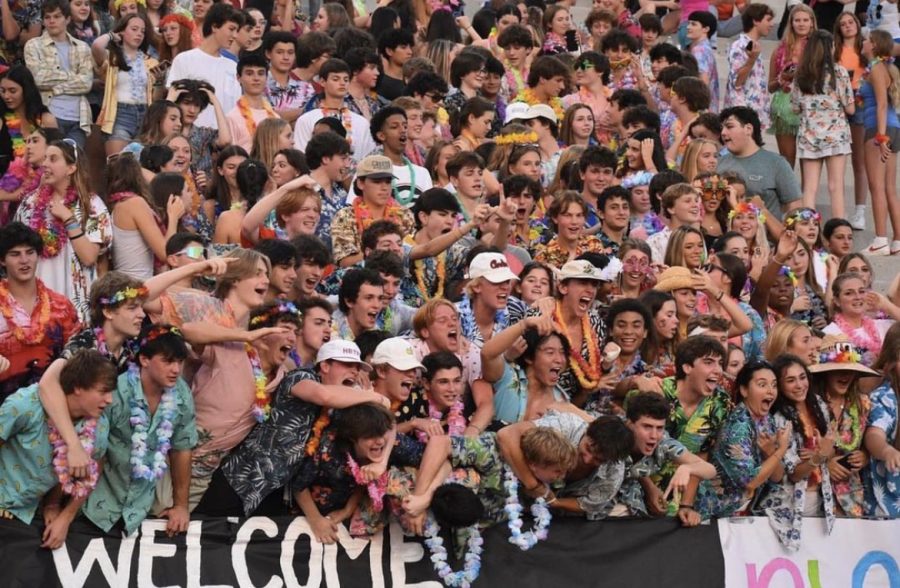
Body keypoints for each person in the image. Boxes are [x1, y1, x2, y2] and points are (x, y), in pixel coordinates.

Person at [82, 324, 197, 536]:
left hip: (146, 508)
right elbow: (94, 452)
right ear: (144, 360)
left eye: (180, 362)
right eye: (168, 361)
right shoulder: (116, 392)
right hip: (96, 505)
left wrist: (181, 506)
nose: (176, 369)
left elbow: (182, 448)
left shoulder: (182, 393)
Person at [0, 349, 114, 548]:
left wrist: (61, 513)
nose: (109, 399)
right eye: (103, 391)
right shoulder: (25, 405)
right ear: (78, 387)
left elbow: (91, 471)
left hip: (30, 516)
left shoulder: (99, 427)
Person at [13, 140, 110, 322]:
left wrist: (68, 219)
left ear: (71, 168)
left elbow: (89, 257)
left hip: (75, 303)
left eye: (53, 159)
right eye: (45, 159)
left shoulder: (92, 205)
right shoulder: (30, 203)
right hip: (35, 301)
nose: (45, 164)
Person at [758, 354, 837, 551]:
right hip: (790, 505)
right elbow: (793, 474)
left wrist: (823, 454)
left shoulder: (818, 404)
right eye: (790, 380)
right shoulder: (779, 419)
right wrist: (819, 457)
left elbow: (829, 446)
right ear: (779, 386)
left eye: (802, 377)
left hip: (821, 500)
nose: (800, 385)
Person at [697, 360, 792, 518]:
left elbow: (777, 476)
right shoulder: (737, 427)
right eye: (762, 385)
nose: (771, 391)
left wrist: (770, 452)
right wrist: (781, 449)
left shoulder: (767, 420)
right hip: (715, 515)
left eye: (774, 385)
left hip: (745, 512)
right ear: (744, 390)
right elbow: (751, 481)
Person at [0, 222, 79, 400]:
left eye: (30, 252)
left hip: (54, 404)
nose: (24, 260)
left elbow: (78, 355)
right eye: (15, 254)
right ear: (2, 260)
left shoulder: (61, 305)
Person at [613, 391, 717, 524]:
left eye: (660, 428)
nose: (654, 435)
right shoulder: (612, 433)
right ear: (630, 424)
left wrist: (687, 468)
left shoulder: (663, 442)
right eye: (647, 427)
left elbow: (710, 470)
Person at [791, 30, 855, 218]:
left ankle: (809, 233)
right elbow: (850, 109)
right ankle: (839, 230)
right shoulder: (839, 72)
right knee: (836, 187)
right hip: (836, 136)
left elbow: (795, 108)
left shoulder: (801, 75)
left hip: (809, 136)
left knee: (809, 189)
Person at [23, 0, 92, 147]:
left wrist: (56, 87)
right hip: (49, 114)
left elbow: (86, 83)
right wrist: (72, 76)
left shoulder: (83, 47)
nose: (52, 21)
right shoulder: (33, 45)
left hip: (79, 119)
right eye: (47, 17)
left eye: (57, 16)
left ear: (67, 19)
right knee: (48, 165)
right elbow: (38, 79)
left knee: (74, 166)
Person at [166, 3, 243, 129]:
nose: (235, 36)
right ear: (215, 27)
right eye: (231, 29)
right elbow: (172, 103)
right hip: (190, 138)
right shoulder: (184, 60)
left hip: (224, 139)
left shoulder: (233, 67)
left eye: (237, 31)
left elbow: (235, 108)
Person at [717, 106, 802, 220]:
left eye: (729, 127)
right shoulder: (718, 163)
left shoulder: (776, 163)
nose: (723, 132)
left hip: (766, 236)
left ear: (748, 129)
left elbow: (795, 206)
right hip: (725, 236)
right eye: (722, 128)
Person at [858, 30, 900, 256]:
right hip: (893, 127)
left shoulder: (875, 68)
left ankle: (881, 239)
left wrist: (881, 137)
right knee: (889, 187)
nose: (863, 42)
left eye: (866, 39)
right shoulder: (883, 68)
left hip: (878, 128)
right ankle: (897, 241)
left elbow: (882, 105)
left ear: (873, 45)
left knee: (876, 186)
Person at [94, 14, 159, 155]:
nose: (139, 34)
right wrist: (112, 36)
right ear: (122, 31)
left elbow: (156, 95)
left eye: (142, 31)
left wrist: (159, 80)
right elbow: (96, 46)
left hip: (144, 115)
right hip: (120, 114)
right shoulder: (112, 57)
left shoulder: (150, 61)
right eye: (134, 29)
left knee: (140, 166)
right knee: (117, 165)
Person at [293, 58, 376, 161]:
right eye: (336, 79)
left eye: (346, 80)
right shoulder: (306, 119)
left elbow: (368, 158)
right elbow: (301, 155)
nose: (342, 83)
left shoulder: (361, 122)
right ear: (322, 81)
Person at [865, 322, 900, 519]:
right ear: (893, 363)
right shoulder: (884, 396)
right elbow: (874, 435)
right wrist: (887, 451)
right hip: (887, 511)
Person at [367, 105, 432, 207]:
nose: (403, 130)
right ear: (381, 136)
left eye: (405, 126)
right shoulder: (369, 170)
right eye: (394, 127)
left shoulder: (422, 173)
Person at [724, 3, 774, 130]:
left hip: (753, 114)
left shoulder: (754, 45)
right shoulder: (739, 46)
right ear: (756, 21)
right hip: (743, 115)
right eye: (768, 20)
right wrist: (751, 60)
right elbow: (737, 81)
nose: (771, 24)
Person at [225, 53, 280, 152]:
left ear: (267, 77)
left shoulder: (275, 118)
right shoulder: (232, 117)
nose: (256, 78)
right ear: (238, 78)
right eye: (249, 73)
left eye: (261, 73)